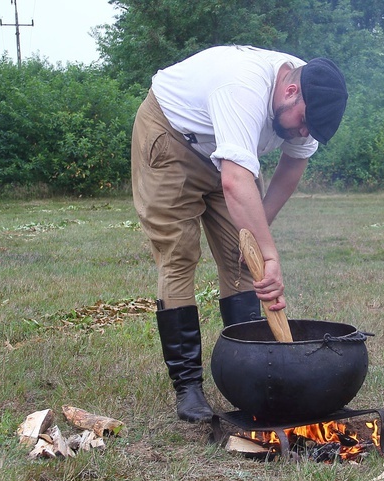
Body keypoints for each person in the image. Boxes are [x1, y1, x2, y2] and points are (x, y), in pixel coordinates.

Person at [130, 45, 348, 422]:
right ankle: (188, 388)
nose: (303, 131)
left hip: (231, 157)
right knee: (180, 258)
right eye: (303, 122)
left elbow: (292, 166)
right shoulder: (242, 86)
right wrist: (270, 255)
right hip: (172, 137)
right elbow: (234, 181)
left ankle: (247, 371)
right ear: (291, 92)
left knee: (244, 266)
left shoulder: (307, 97)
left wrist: (258, 233)